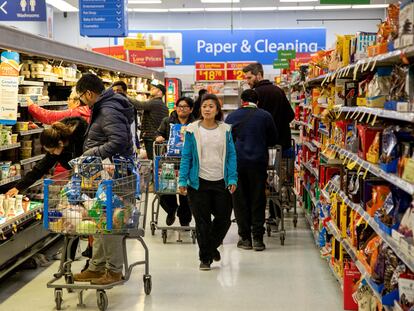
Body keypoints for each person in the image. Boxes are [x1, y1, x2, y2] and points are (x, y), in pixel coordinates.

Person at [73, 73, 135, 285]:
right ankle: (97, 267)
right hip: (108, 175)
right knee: (101, 220)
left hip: (116, 175)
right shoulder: (106, 107)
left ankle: (114, 270)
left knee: (111, 222)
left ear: (89, 93)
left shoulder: (107, 109)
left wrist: (91, 154)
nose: (82, 101)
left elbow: (118, 141)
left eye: (81, 97)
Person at [6, 117, 89, 260]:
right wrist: (18, 187)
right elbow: (40, 168)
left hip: (92, 178)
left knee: (91, 215)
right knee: (74, 215)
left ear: (61, 144)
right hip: (76, 180)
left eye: (51, 150)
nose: (51, 154)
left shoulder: (83, 139)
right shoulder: (57, 144)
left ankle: (88, 253)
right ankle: (70, 254)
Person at [178, 94, 237, 271]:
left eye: (211, 106)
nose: (207, 109)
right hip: (198, 183)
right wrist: (182, 179)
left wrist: (233, 177)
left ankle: (211, 247)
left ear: (217, 110)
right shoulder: (192, 130)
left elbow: (232, 155)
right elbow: (186, 156)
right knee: (202, 221)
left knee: (224, 219)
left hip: (221, 181)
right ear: (200, 109)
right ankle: (205, 258)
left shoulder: (225, 130)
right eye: (204, 106)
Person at [226, 89, 278, 251]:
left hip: (237, 163)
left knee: (239, 200)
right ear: (258, 102)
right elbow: (273, 139)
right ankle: (258, 238)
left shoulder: (232, 116)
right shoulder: (265, 116)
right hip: (258, 162)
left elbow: (227, 140)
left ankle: (245, 238)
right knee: (257, 198)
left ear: (242, 101)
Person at [243, 62, 295, 225]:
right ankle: (275, 214)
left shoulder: (253, 95)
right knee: (277, 181)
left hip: (262, 147)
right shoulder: (279, 91)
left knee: (261, 181)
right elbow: (291, 115)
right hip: (281, 145)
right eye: (246, 78)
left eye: (250, 77)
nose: (248, 81)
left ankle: (257, 216)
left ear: (259, 75)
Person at [155, 97, 195, 227]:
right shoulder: (167, 121)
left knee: (186, 194)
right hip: (169, 162)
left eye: (184, 106)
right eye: (179, 106)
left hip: (189, 163)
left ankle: (185, 220)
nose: (181, 109)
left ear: (191, 109)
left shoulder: (195, 124)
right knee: (166, 191)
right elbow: (158, 134)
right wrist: (159, 138)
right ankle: (171, 209)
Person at [129, 83, 169, 160]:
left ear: (160, 92)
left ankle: (154, 171)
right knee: (157, 159)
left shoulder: (155, 102)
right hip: (157, 137)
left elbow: (139, 105)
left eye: (154, 88)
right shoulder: (162, 105)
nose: (152, 89)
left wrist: (125, 96)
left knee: (153, 159)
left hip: (152, 138)